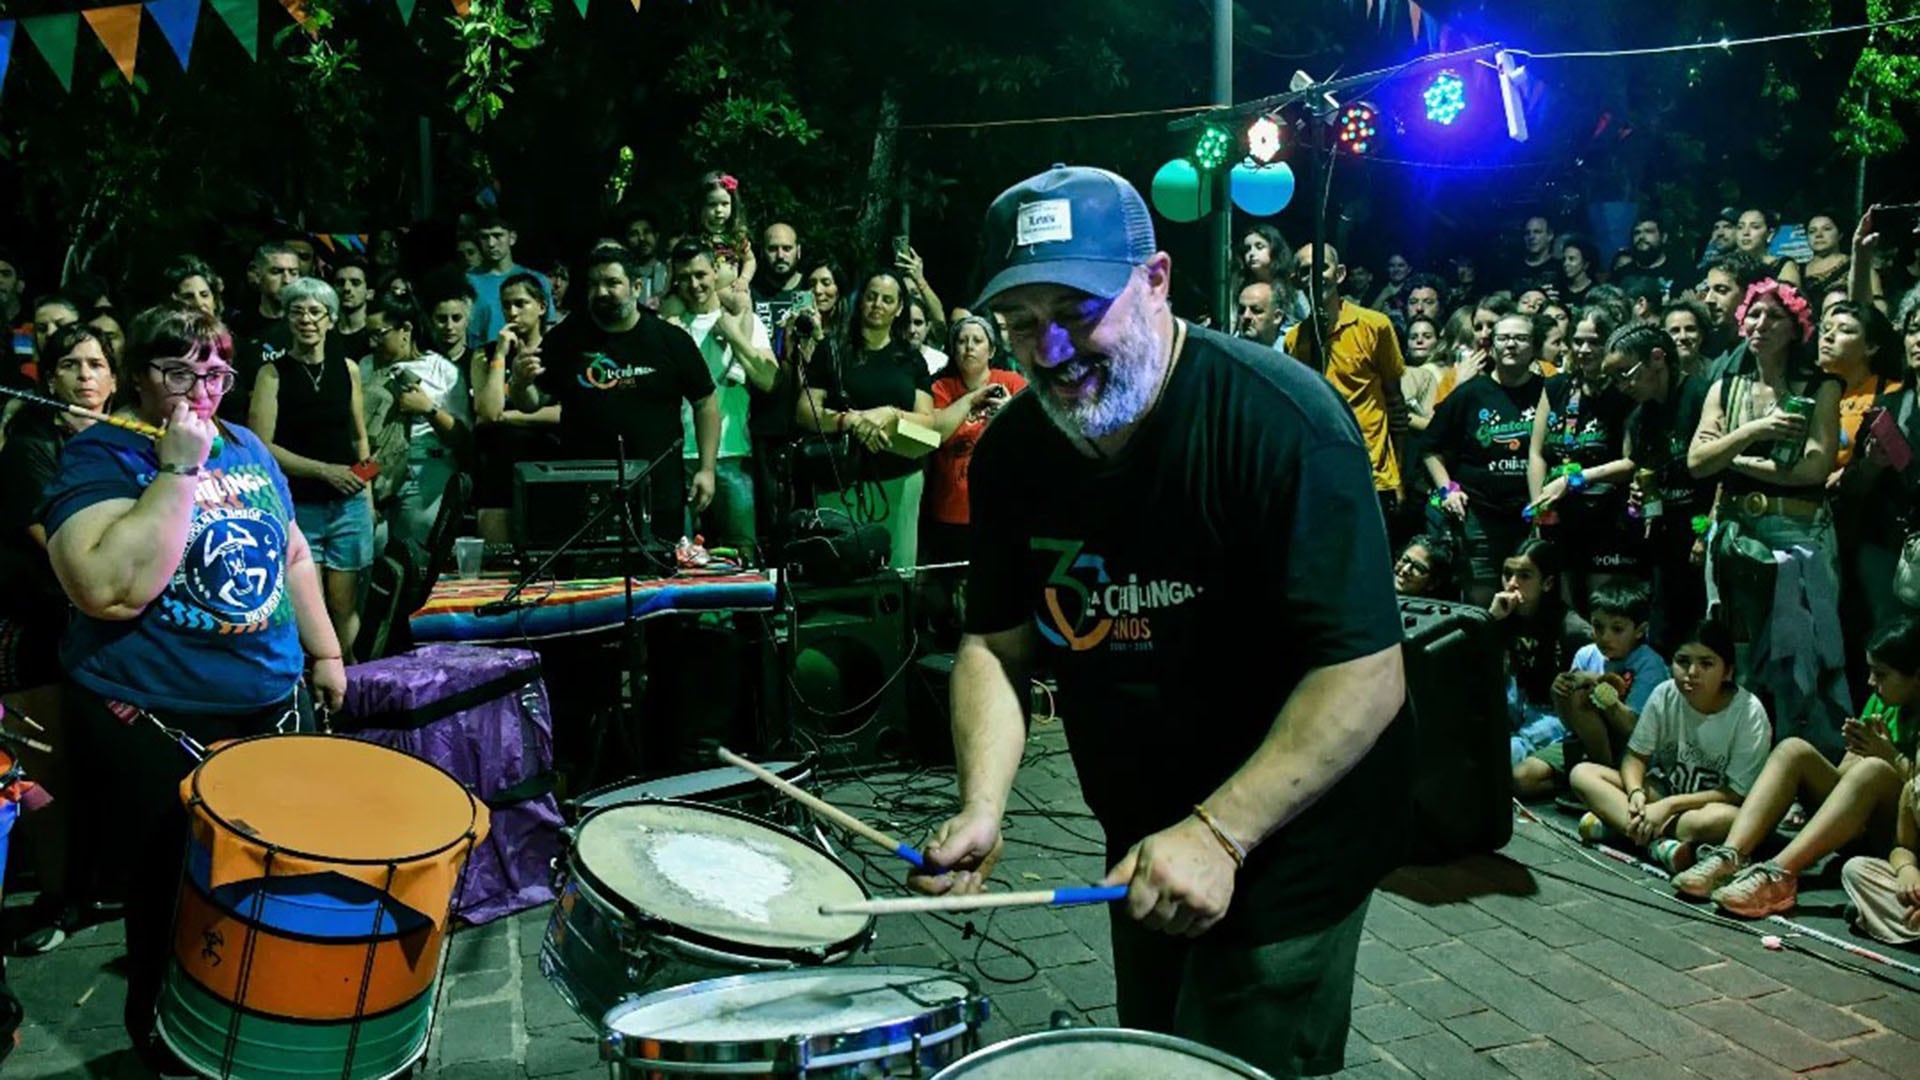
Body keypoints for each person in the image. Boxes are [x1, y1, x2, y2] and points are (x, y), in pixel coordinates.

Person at [908, 165, 1410, 1078]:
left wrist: (1221, 833)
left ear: (1157, 280)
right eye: (1022, 322)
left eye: (1077, 307)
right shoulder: (1016, 451)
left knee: (1235, 1054)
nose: (1051, 348)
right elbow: (994, 644)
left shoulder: (1283, 421)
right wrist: (983, 803)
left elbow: (1365, 671)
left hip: (1293, 829)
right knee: (1158, 1051)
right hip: (1139, 829)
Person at [40, 303, 346, 1073]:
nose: (201, 390)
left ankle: (267, 1017)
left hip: (271, 702)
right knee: (169, 890)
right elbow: (107, 590)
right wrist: (177, 469)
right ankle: (167, 1034)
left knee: (276, 881)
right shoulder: (102, 457)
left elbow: (295, 553)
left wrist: (327, 654)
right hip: (153, 715)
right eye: (179, 371)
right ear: (140, 374)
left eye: (214, 372)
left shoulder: (245, 444)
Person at [0, 324, 117, 953]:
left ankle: (95, 885)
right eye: (70, 365)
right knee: (46, 771)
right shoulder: (29, 447)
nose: (85, 376)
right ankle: (56, 899)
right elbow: (65, 551)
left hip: (103, 625)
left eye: (97, 363)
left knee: (97, 764)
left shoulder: (128, 440)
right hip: (38, 623)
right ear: (50, 379)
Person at [1671, 617, 1917, 915]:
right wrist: (1858, 753)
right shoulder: (1882, 702)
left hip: (1901, 840)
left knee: (1874, 770)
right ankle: (1730, 857)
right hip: (1856, 825)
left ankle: (1779, 875)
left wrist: (1888, 757)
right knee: (1793, 750)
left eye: (1881, 675)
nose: (1870, 683)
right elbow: (1846, 781)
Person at [509, 245, 718, 545]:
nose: (601, 291)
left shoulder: (670, 340)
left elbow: (705, 402)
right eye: (593, 284)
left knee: (661, 586)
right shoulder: (565, 339)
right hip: (583, 494)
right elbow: (532, 403)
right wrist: (519, 383)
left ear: (635, 287)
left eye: (611, 283)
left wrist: (707, 469)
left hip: (658, 494)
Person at [1569, 620, 1769, 868]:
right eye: (1683, 661)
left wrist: (1668, 806)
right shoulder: (1665, 694)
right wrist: (1635, 793)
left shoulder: (1749, 713)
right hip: (1663, 794)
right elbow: (1635, 757)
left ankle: (1619, 825)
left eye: (1706, 664)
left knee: (1725, 820)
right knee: (1583, 773)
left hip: (1704, 807)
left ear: (1727, 671)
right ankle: (1658, 844)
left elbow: (1734, 793)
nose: (1692, 672)